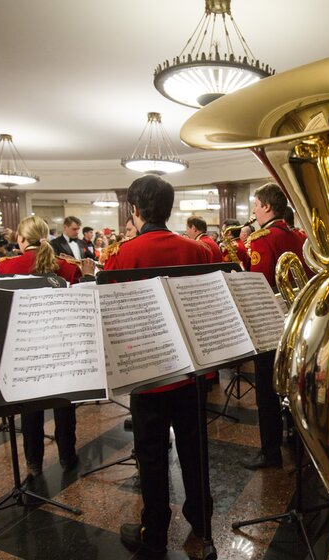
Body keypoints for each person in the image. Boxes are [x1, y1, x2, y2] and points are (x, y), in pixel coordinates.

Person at [103, 175, 213, 555]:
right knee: (195, 448)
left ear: (134, 210)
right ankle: (202, 520)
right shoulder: (196, 249)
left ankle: (155, 531)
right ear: (169, 209)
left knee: (150, 456)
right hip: (190, 369)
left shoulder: (123, 254)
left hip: (146, 372)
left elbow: (113, 318)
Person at [0, 216, 95, 475]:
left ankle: (34, 463)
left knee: (30, 409)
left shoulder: (5, 267)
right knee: (64, 405)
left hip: (26, 347)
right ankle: (66, 456)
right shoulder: (67, 266)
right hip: (63, 344)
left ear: (20, 238)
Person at [241, 182, 309, 470]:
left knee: (268, 391)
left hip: (270, 324)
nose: (254, 210)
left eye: (255, 205)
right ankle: (296, 440)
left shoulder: (262, 238)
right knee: (294, 384)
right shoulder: (300, 236)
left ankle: (271, 453)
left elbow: (260, 286)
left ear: (267, 207)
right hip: (299, 321)